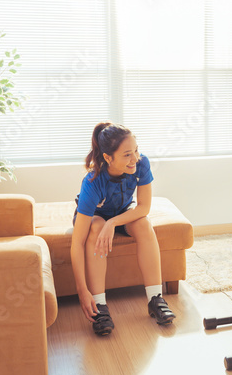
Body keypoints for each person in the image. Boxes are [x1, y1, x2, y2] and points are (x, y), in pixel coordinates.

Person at [71, 122, 175, 336]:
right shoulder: (92, 182)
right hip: (96, 218)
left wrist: (114, 223)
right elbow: (77, 242)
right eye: (127, 154)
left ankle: (155, 299)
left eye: (136, 150)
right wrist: (82, 289)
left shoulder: (141, 163)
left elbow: (144, 207)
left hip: (120, 213)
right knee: (98, 227)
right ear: (108, 158)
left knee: (144, 225)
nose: (135, 158)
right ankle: (100, 306)